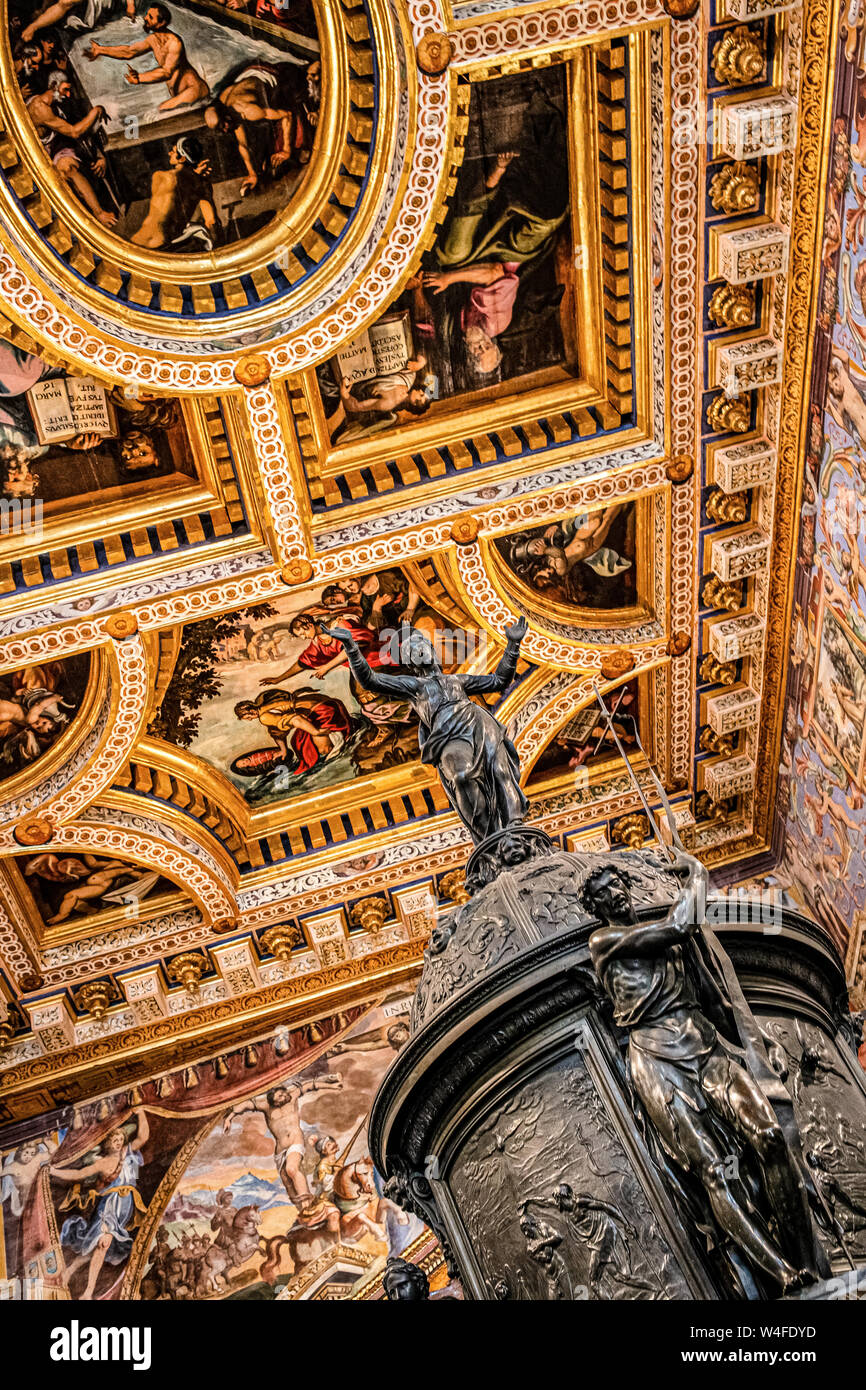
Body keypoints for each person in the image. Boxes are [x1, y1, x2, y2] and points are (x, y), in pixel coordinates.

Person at [581, 851, 821, 1295]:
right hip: (655, 1060)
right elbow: (678, 923)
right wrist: (698, 875)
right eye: (601, 893)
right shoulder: (604, 942)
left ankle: (808, 1258)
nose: (613, 893)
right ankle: (781, 1274)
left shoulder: (674, 948)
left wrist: (762, 1049)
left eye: (615, 884)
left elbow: (716, 998)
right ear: (595, 907)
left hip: (704, 1044)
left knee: (768, 1136)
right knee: (714, 1170)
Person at [319, 617, 528, 845]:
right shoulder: (414, 686)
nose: (421, 651)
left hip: (479, 724)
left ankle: (515, 826)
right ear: (410, 662)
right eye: (414, 651)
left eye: (424, 647)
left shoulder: (457, 679)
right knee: (461, 776)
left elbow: (499, 680)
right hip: (447, 734)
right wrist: (350, 647)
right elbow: (370, 680)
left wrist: (513, 646)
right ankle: (488, 837)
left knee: (500, 772)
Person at [50, 1109, 150, 1300]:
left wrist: (142, 1112)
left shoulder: (127, 1153)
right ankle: (88, 1292)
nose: (119, 1142)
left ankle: (71, 1269)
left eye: (121, 1139)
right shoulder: (103, 1162)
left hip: (125, 1206)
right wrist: (54, 1172)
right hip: (109, 1206)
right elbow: (79, 1174)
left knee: (97, 1244)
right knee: (103, 1244)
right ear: (107, 1143)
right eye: (115, 1140)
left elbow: (143, 1136)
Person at [223, 1076, 342, 1206]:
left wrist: (331, 1086)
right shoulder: (266, 1106)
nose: (281, 1100)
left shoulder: (294, 1093)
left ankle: (308, 1204)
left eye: (281, 1096)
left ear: (283, 1091)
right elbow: (245, 1105)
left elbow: (311, 1085)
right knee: (286, 1180)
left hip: (295, 1141)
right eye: (277, 1101)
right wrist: (229, 1118)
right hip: (280, 1148)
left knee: (292, 1169)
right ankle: (302, 1211)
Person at [204, 64, 308, 195]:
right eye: (220, 129)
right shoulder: (228, 111)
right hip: (248, 77)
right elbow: (242, 145)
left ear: (226, 116)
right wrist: (252, 174)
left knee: (296, 142)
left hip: (269, 73)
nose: (224, 130)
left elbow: (287, 115)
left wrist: (286, 150)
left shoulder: (248, 110)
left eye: (223, 125)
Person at [26, 72, 115, 226]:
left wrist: (99, 155)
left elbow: (83, 131)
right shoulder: (40, 108)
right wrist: (95, 111)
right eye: (65, 90)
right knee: (67, 170)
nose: (68, 94)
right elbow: (75, 132)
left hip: (60, 145)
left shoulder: (59, 102)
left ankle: (95, 213)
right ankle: (98, 214)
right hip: (45, 150)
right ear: (54, 86)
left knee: (68, 168)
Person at [86, 4, 209, 112]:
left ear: (161, 23)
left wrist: (139, 78)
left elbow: (167, 72)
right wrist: (101, 49)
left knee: (161, 111)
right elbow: (129, 51)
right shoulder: (153, 40)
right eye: (147, 15)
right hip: (181, 94)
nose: (145, 18)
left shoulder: (174, 43)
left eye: (150, 17)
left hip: (194, 90)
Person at [129, 135, 219, 249]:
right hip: (163, 245)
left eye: (173, 151)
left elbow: (176, 184)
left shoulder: (160, 176)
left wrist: (194, 174)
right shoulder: (202, 185)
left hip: (140, 243)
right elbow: (211, 221)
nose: (169, 153)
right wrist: (196, 175)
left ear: (182, 159)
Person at [234, 688, 353, 773]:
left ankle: (339, 743)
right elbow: (276, 732)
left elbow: (296, 719)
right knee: (297, 741)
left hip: (322, 711)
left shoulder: (264, 717)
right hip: (329, 703)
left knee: (322, 750)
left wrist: (316, 732)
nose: (249, 720)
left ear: (250, 712)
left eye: (247, 718)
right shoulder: (263, 701)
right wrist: (283, 750)